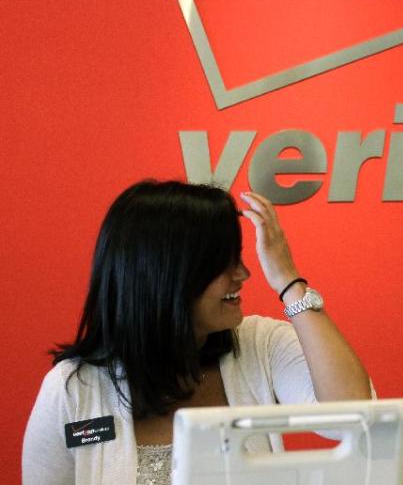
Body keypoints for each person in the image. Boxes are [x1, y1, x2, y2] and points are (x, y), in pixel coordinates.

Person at [22, 181, 372, 485]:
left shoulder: (259, 344)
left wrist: (288, 281)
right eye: (224, 262)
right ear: (168, 276)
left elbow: (354, 417)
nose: (243, 274)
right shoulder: (72, 390)